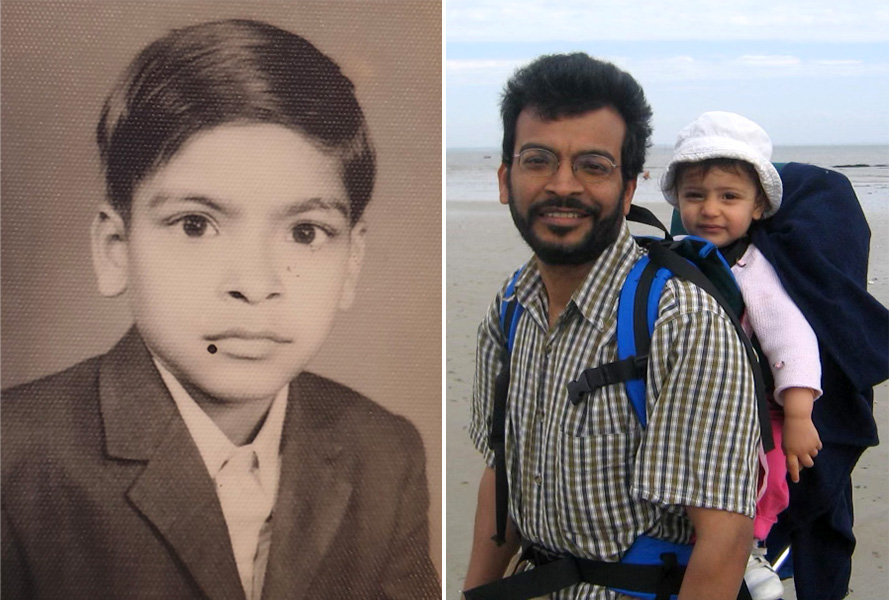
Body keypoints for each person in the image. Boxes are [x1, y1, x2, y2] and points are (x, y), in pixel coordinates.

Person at [1, 19, 439, 600]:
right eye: (195, 224)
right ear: (116, 250)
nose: (255, 285)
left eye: (305, 232)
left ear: (351, 264)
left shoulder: (384, 452)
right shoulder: (16, 460)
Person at [462, 53, 761, 600]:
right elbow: (498, 480)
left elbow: (724, 542)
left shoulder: (680, 322)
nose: (563, 185)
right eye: (538, 160)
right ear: (506, 179)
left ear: (627, 190)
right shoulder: (509, 310)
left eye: (593, 166)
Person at [660, 111, 823, 600]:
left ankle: (752, 549)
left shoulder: (753, 271)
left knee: (764, 477)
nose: (710, 209)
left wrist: (797, 412)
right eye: (696, 196)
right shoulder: (670, 261)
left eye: (729, 197)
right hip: (688, 408)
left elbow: (791, 340)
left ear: (757, 208)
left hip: (752, 414)